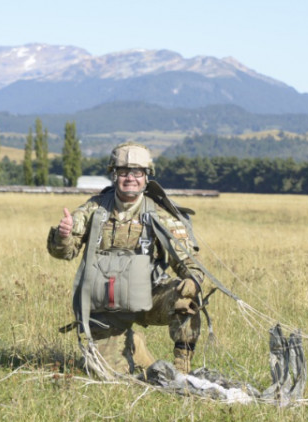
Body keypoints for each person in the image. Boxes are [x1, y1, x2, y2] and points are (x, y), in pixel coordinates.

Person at [47, 142, 204, 376]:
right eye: (123, 172)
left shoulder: (160, 216)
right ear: (114, 174)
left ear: (147, 176)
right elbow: (65, 253)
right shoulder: (93, 210)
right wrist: (63, 236)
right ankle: (131, 344)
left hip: (147, 298)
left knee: (186, 299)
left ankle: (182, 373)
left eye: (137, 172)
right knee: (108, 376)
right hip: (105, 308)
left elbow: (190, 264)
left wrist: (192, 281)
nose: (130, 178)